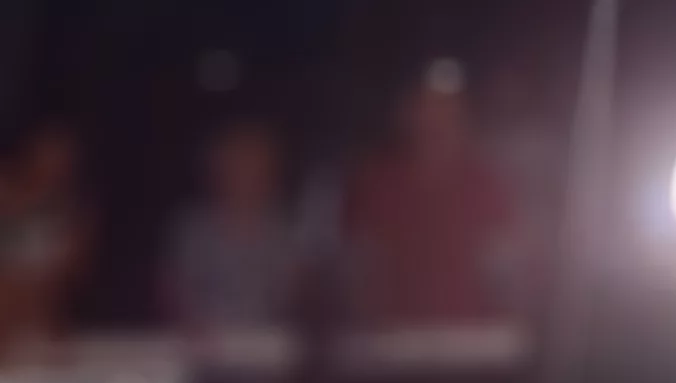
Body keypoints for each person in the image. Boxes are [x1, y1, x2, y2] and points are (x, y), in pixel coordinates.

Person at [341, 61, 526, 327]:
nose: (436, 120)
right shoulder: (375, 183)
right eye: (426, 107)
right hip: (390, 345)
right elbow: (360, 269)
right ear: (406, 113)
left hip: (469, 344)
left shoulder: (488, 186)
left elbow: (506, 277)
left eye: (448, 109)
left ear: (465, 117)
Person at [161, 118, 309, 335]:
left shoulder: (287, 230)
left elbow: (298, 297)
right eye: (236, 162)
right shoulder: (191, 228)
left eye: (256, 163)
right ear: (215, 169)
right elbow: (169, 291)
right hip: (204, 347)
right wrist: (187, 325)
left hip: (266, 348)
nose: (246, 173)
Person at [0, 118, 94, 352]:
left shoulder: (75, 212)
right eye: (50, 152)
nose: (58, 162)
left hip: (44, 321)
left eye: (66, 156)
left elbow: (71, 273)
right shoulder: (6, 192)